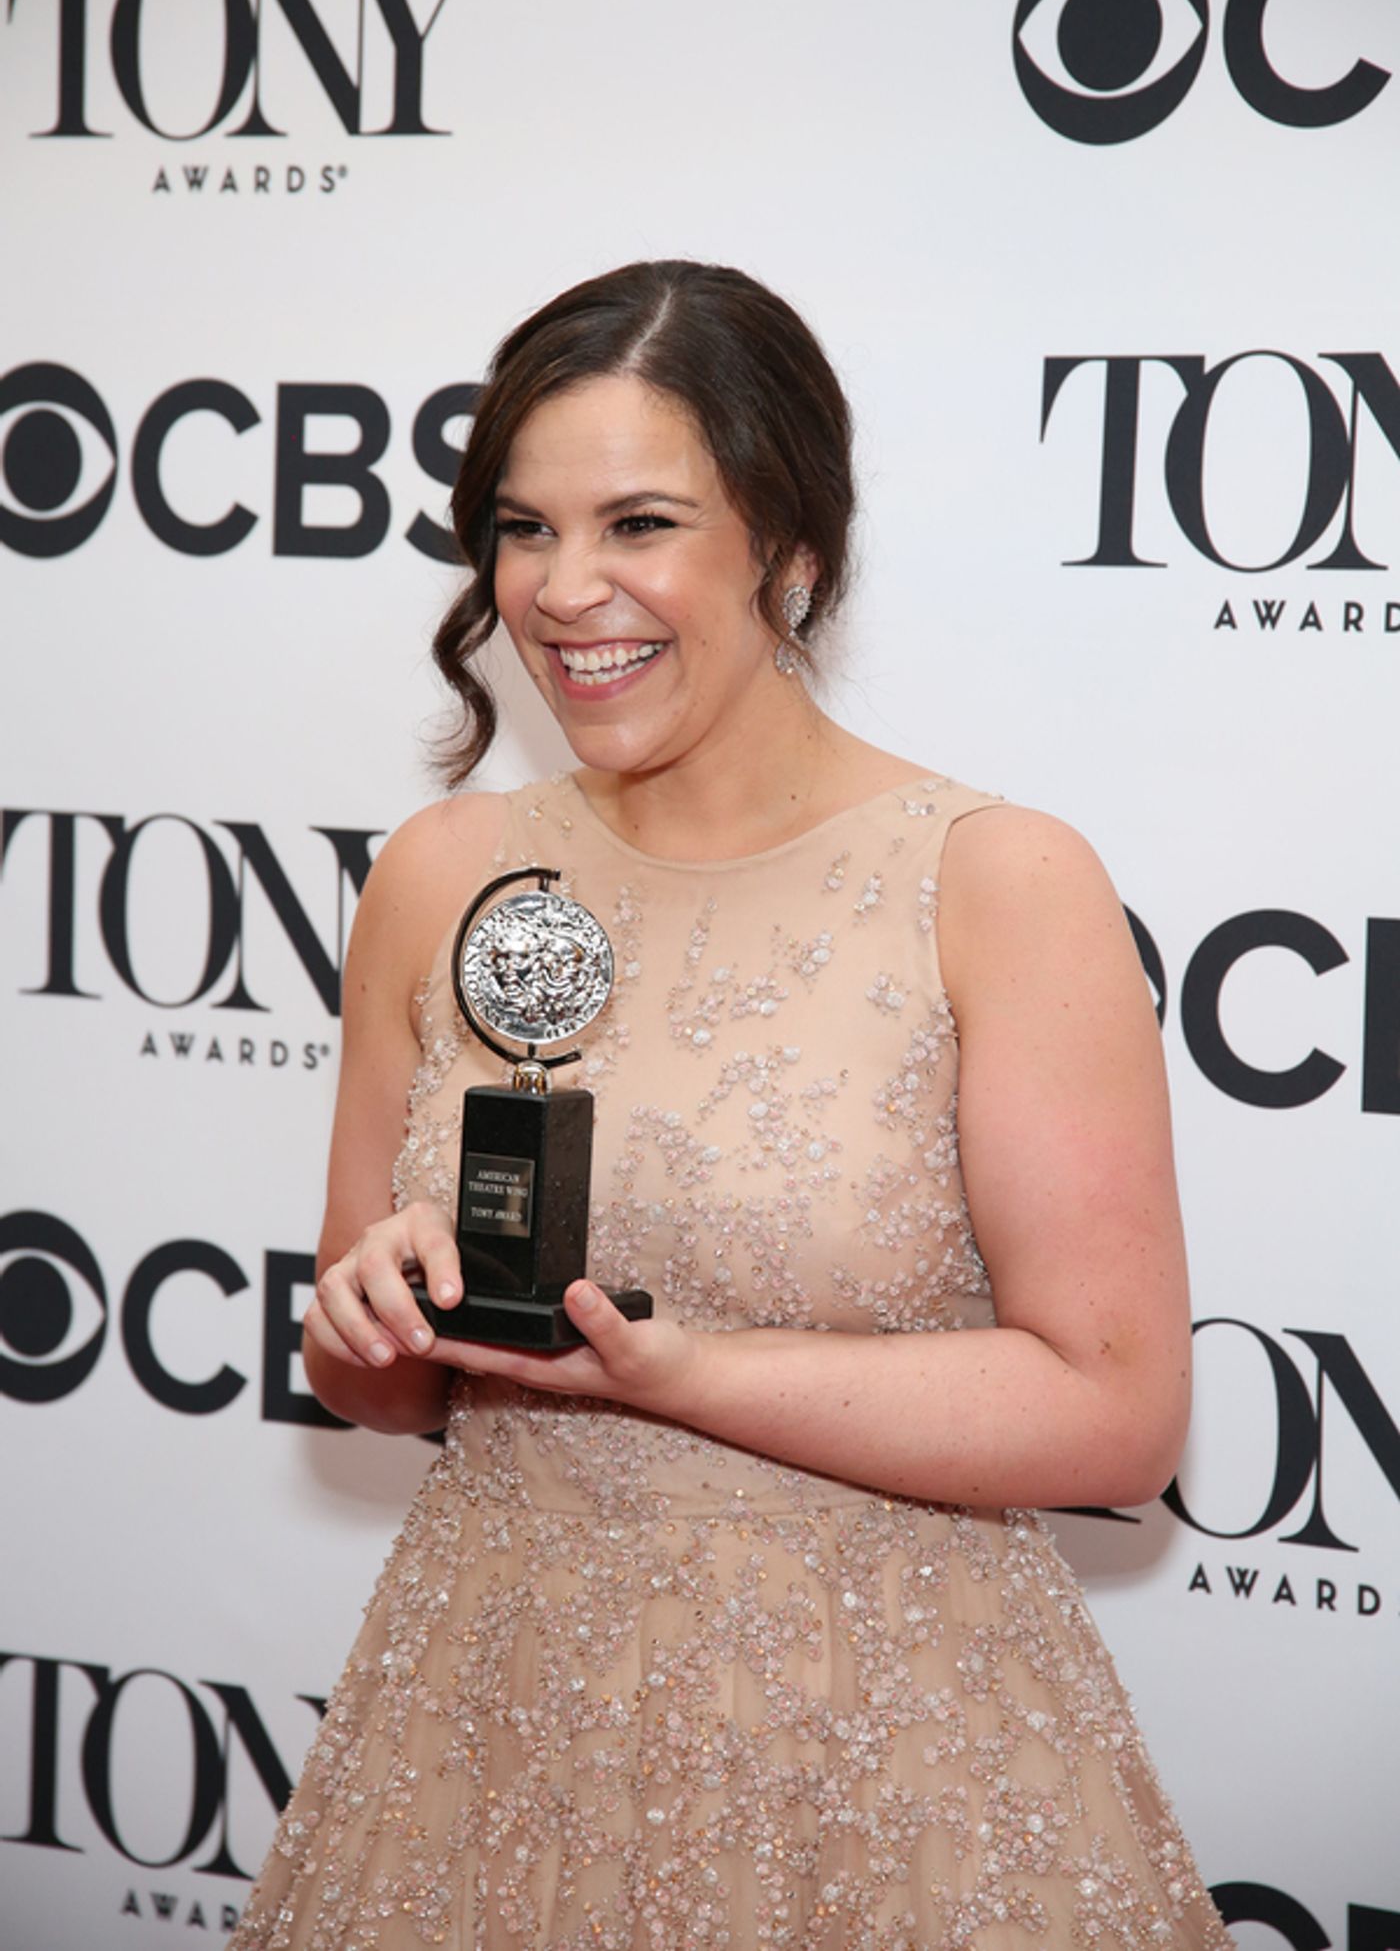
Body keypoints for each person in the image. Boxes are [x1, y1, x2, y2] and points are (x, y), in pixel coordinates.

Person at [230, 261, 1234, 1948]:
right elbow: (368, 1385)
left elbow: (1114, 1411)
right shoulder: (439, 873)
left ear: (792, 548)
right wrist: (374, 1313)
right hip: (491, 1721)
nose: (566, 591)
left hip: (877, 1740)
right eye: (524, 528)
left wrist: (684, 1372)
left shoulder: (995, 882)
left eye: (639, 522)